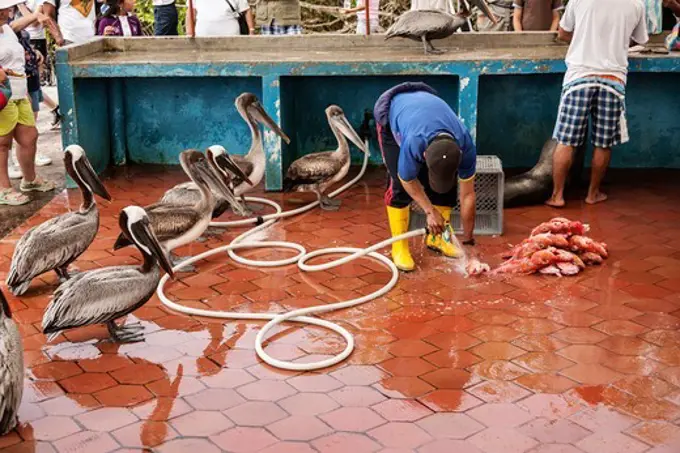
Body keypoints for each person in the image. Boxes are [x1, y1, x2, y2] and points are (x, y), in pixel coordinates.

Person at [546, 0, 648, 208]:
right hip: (613, 79)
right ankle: (593, 194)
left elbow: (563, 34)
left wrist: (585, 39)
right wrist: (613, 41)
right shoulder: (636, 4)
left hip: (579, 76)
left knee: (566, 140)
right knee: (603, 143)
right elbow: (639, 40)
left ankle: (557, 195)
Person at [373, 82, 477, 272]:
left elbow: (468, 195)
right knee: (398, 185)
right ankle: (400, 246)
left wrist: (469, 240)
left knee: (448, 188)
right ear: (423, 156)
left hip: (426, 108)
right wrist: (429, 211)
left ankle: (438, 238)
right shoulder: (413, 141)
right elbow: (407, 180)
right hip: (392, 112)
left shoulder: (465, 143)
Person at [0, 0, 55, 206]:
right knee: (2, 143)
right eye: (1, 9)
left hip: (19, 92)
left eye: (6, 8)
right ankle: (3, 188)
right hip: (3, 96)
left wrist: (33, 54)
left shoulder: (7, 28)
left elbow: (19, 29)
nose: (6, 11)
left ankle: (30, 179)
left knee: (29, 136)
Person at [15, 1, 60, 128]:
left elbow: (36, 20)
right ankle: (55, 108)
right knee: (33, 87)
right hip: (20, 41)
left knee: (33, 86)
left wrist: (20, 4)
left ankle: (31, 125)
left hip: (35, 40)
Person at [186, 0, 254, 36]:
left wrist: (251, 31)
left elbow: (246, 10)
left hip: (230, 35)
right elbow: (191, 11)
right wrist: (189, 32)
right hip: (203, 36)